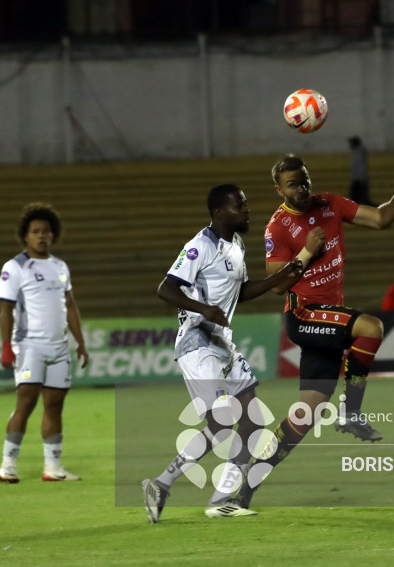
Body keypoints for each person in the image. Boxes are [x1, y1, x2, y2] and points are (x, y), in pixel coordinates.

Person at [231, 154, 394, 511]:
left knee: (306, 413)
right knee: (371, 327)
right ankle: (351, 411)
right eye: (292, 184)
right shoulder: (278, 227)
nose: (301, 189)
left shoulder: (330, 204)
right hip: (304, 315)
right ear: (278, 190)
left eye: (304, 180)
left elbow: (379, 219)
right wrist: (306, 252)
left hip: (326, 319)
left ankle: (245, 489)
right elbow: (275, 284)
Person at [141, 183, 304, 521]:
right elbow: (165, 289)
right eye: (239, 206)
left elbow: (241, 291)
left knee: (253, 422)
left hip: (222, 343)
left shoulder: (237, 245)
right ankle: (161, 483)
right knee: (221, 423)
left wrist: (282, 277)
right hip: (197, 343)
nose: (246, 210)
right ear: (219, 212)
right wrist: (203, 309)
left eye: (245, 204)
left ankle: (221, 500)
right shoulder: (199, 246)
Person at [0, 202, 89, 484]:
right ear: (25, 236)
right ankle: (8, 465)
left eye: (47, 232)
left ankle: (52, 467)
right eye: (36, 231)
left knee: (55, 405)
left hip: (59, 347)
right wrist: (6, 346)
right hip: (29, 346)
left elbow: (70, 306)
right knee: (26, 402)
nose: (42, 236)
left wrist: (80, 343)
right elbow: (5, 309)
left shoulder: (60, 267)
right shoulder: (15, 267)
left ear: (54, 235)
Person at [348, 136, 374, 205]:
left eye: (352, 143)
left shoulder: (360, 151)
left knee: (360, 200)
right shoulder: (355, 152)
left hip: (360, 180)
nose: (350, 145)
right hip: (357, 180)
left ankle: (378, 210)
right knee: (359, 200)